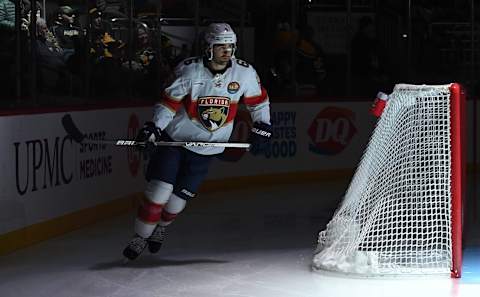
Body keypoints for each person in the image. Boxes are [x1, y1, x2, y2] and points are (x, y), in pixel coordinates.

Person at [122, 23, 273, 260]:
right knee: (159, 191)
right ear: (208, 47)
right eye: (220, 46)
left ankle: (161, 228)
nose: (227, 51)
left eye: (230, 46)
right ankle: (140, 237)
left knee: (175, 203)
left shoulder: (244, 73)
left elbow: (258, 102)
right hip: (176, 142)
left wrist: (263, 125)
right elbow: (168, 103)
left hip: (207, 148)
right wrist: (154, 128)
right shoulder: (189, 70)